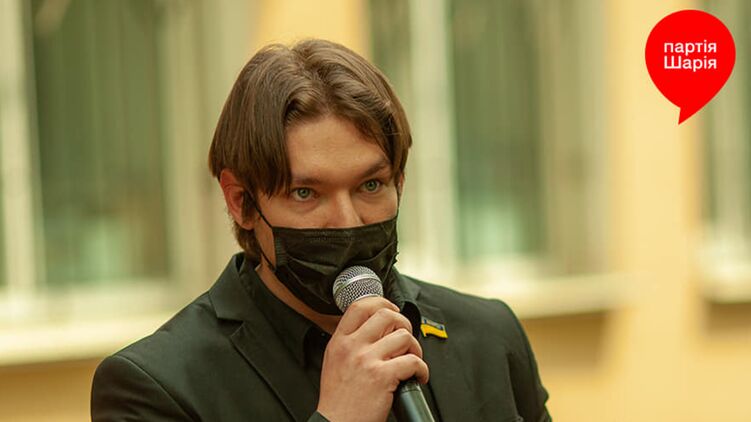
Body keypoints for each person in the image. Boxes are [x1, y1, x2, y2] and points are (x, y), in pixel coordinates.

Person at [91, 38, 551, 422]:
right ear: (241, 201)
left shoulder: (489, 337)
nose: (347, 222)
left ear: (400, 181)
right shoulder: (156, 387)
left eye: (370, 185)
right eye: (306, 193)